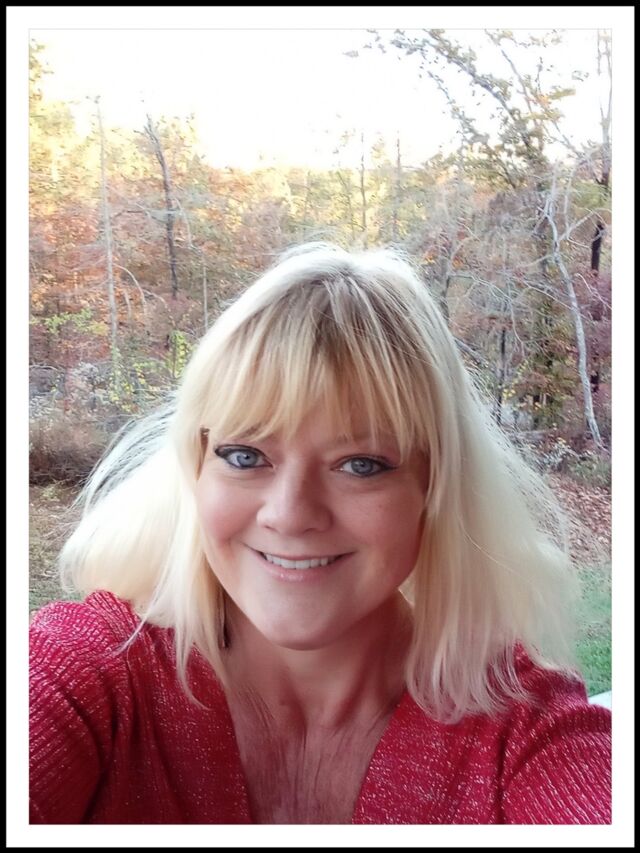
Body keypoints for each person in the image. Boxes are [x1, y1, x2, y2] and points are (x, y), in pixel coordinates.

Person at [29, 242, 611, 825]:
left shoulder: (523, 728)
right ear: (196, 468)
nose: (289, 515)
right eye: (244, 455)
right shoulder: (89, 673)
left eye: (361, 464)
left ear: (434, 486)